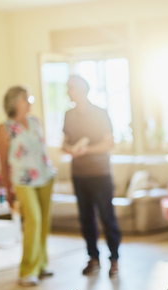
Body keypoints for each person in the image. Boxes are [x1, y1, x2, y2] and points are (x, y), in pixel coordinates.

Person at [62, 75, 121, 277]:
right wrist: (68, 148)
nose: (69, 92)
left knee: (107, 216)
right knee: (85, 218)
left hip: (100, 173)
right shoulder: (69, 115)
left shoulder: (100, 113)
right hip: (79, 174)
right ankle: (93, 258)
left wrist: (85, 151)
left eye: (71, 88)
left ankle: (114, 259)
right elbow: (65, 140)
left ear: (82, 90)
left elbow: (108, 144)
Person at [0, 86, 56, 287]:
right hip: (22, 180)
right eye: (26, 98)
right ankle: (27, 271)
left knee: (44, 222)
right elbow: (3, 161)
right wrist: (8, 190)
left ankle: (41, 265)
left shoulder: (35, 121)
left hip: (46, 176)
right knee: (34, 219)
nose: (30, 101)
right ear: (15, 102)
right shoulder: (4, 128)